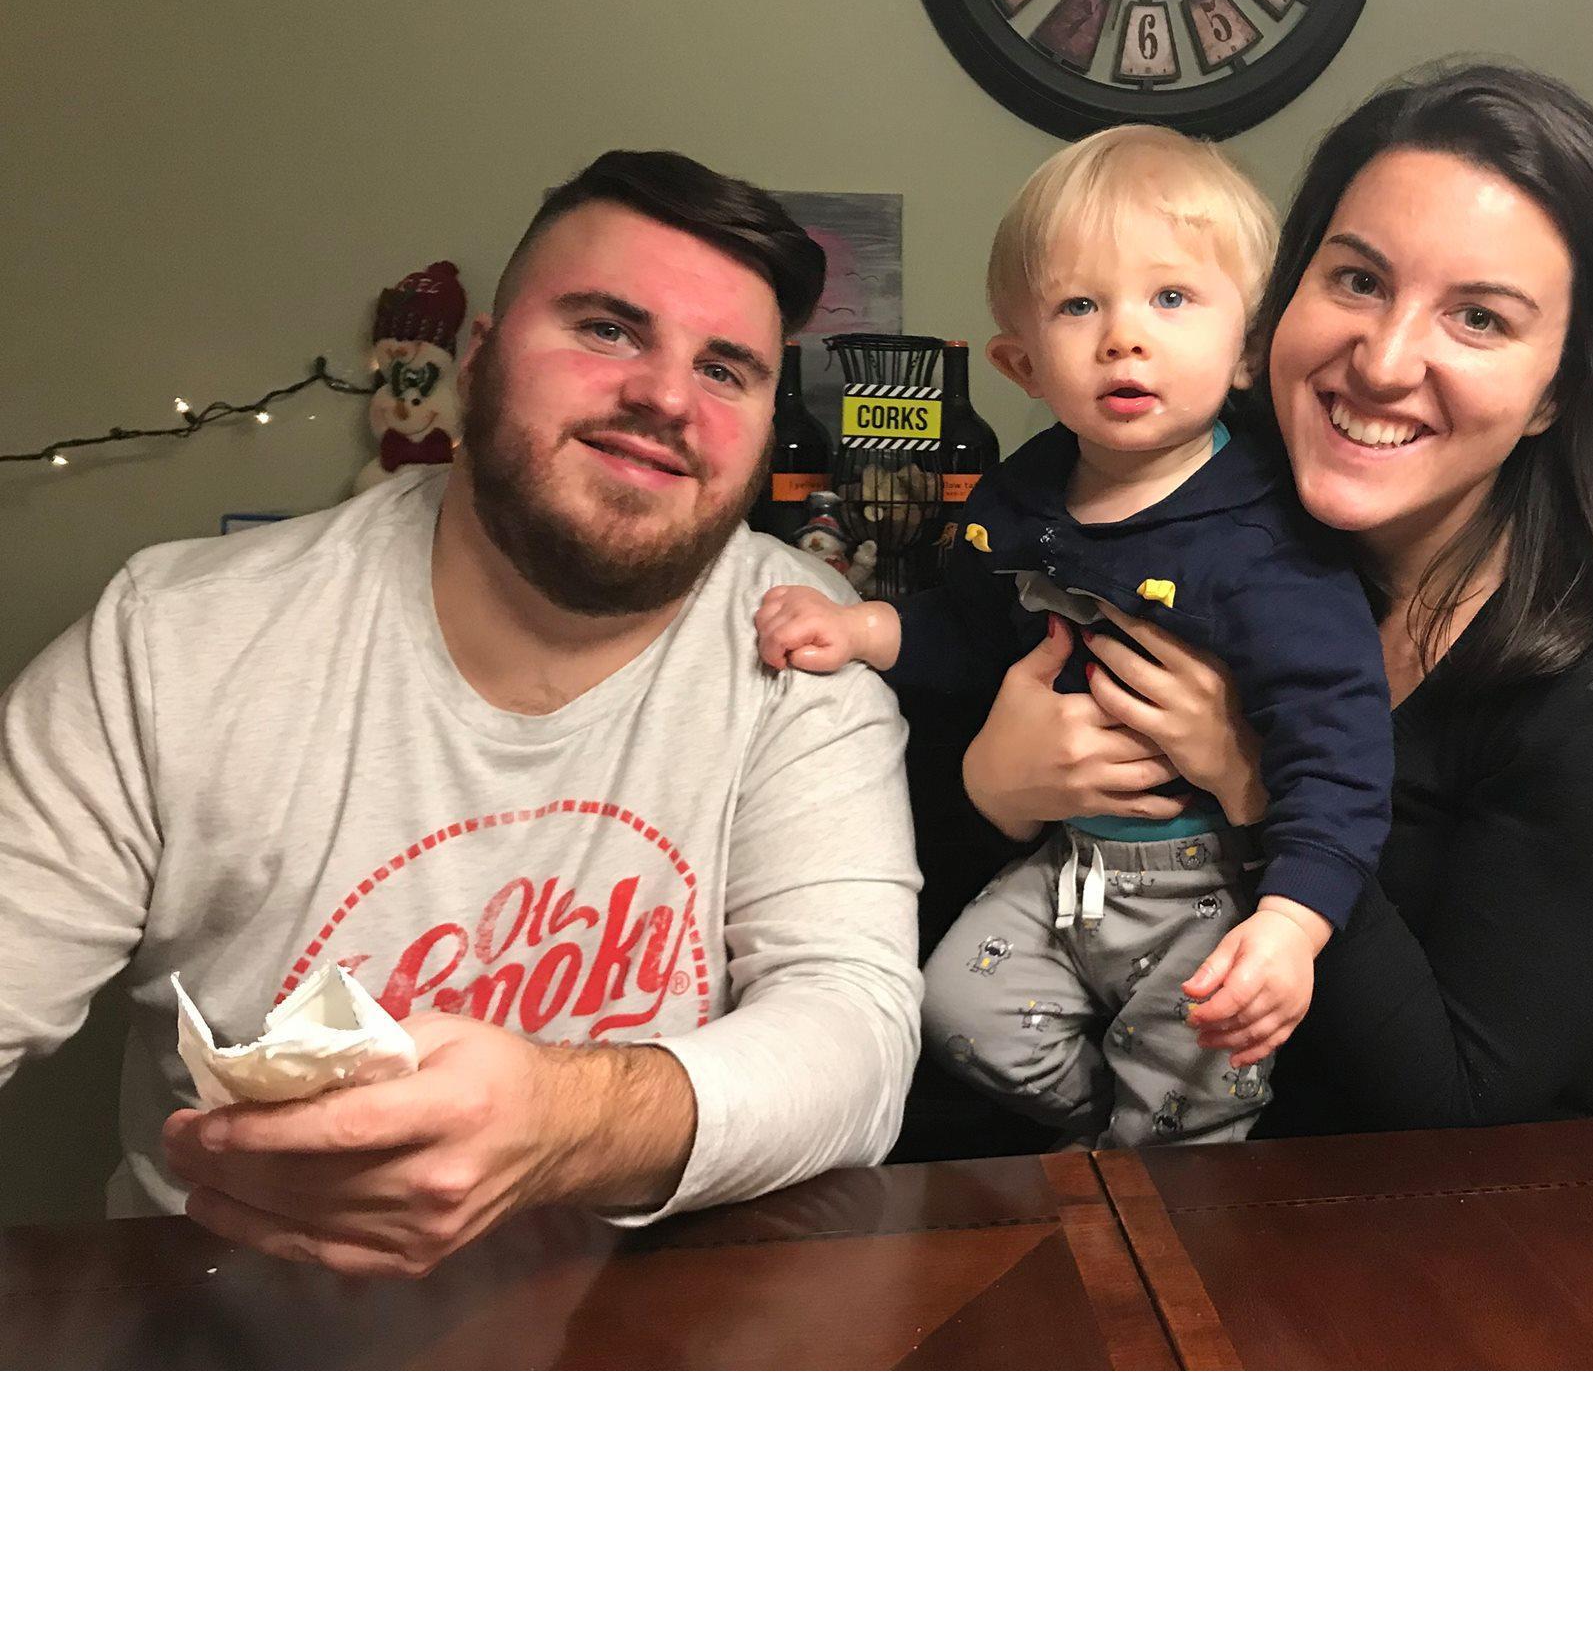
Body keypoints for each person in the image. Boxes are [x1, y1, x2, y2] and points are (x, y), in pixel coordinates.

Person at [0, 150, 921, 1274]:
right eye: (606, 328)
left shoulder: (800, 632)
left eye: (726, 369)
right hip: (225, 1332)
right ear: (479, 357)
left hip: (649, 1339)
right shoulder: (176, 640)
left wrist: (560, 1121)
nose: (667, 395)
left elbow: (856, 1037)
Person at [951, 62, 1593, 1135]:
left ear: (1554, 389)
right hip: (1256, 1194)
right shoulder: (1185, 528)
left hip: (1559, 1220)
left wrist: (1253, 783)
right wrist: (988, 789)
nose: (1381, 361)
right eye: (1358, 281)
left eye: (1476, 317)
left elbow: (1456, 1097)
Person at [755, 127, 1391, 1147]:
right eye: (1078, 305)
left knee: (1191, 1102)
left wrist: (1290, 923)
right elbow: (966, 626)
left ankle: (1151, 1174)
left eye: (1171, 298)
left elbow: (1339, 748)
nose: (1122, 337)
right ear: (1022, 363)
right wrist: (862, 624)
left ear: (1246, 348)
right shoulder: (1022, 493)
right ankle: (1110, 1138)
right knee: (951, 1009)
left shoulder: (1268, 538)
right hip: (1060, 865)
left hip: (1209, 889)